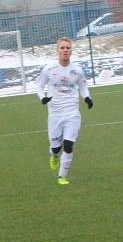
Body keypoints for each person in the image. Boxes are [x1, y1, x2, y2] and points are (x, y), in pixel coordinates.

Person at [37, 37, 94, 186]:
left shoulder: (77, 71)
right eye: (62, 48)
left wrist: (87, 97)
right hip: (55, 114)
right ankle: (54, 155)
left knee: (68, 145)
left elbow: (83, 86)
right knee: (56, 148)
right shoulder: (49, 69)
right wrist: (43, 98)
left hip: (72, 113)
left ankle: (62, 176)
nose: (65, 50)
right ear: (57, 50)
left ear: (71, 51)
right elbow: (39, 86)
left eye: (67, 48)